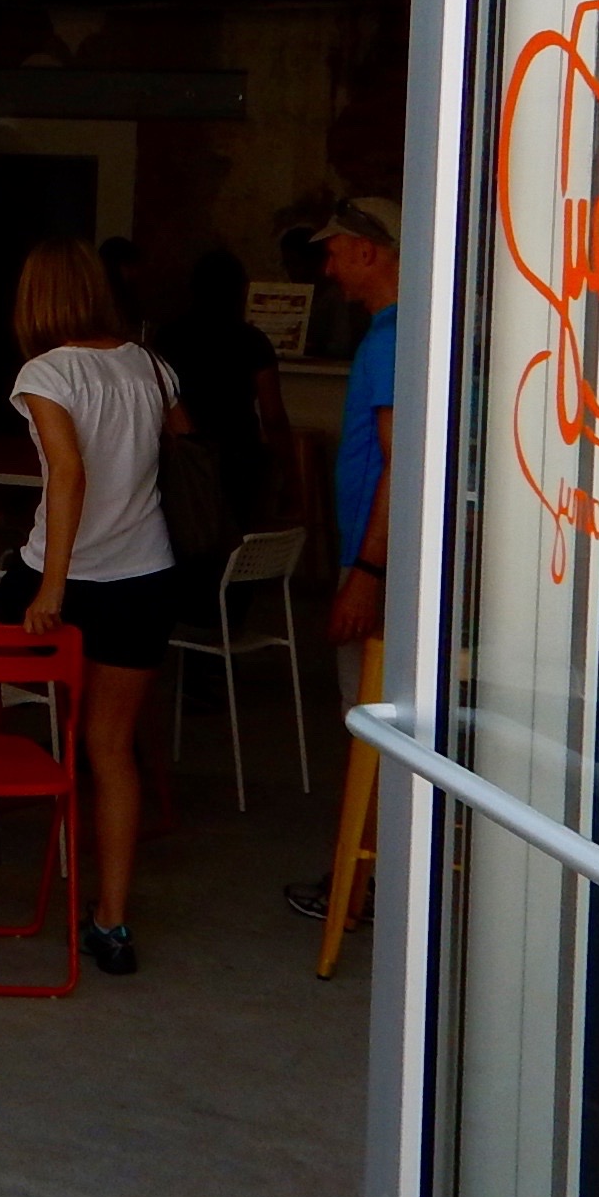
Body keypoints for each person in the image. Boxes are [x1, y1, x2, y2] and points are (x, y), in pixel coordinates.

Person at [0, 237, 184, 976]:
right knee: (112, 747)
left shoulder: (47, 372)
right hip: (146, 572)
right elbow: (179, 443)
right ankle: (112, 921)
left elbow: (67, 473)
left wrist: (53, 586)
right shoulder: (152, 366)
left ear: (36, 299)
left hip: (62, 571)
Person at [289, 195, 400, 924]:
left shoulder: (391, 337)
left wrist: (368, 573)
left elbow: (400, 460)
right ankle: (368, 882)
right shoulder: (396, 331)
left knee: (370, 728)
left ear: (368, 250)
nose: (328, 269)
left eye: (334, 252)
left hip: (376, 563)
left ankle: (363, 888)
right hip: (379, 559)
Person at [160, 248, 297, 532]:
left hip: (184, 461)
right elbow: (273, 417)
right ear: (242, 290)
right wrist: (291, 474)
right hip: (240, 456)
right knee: (241, 542)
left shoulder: (167, 338)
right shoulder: (253, 341)